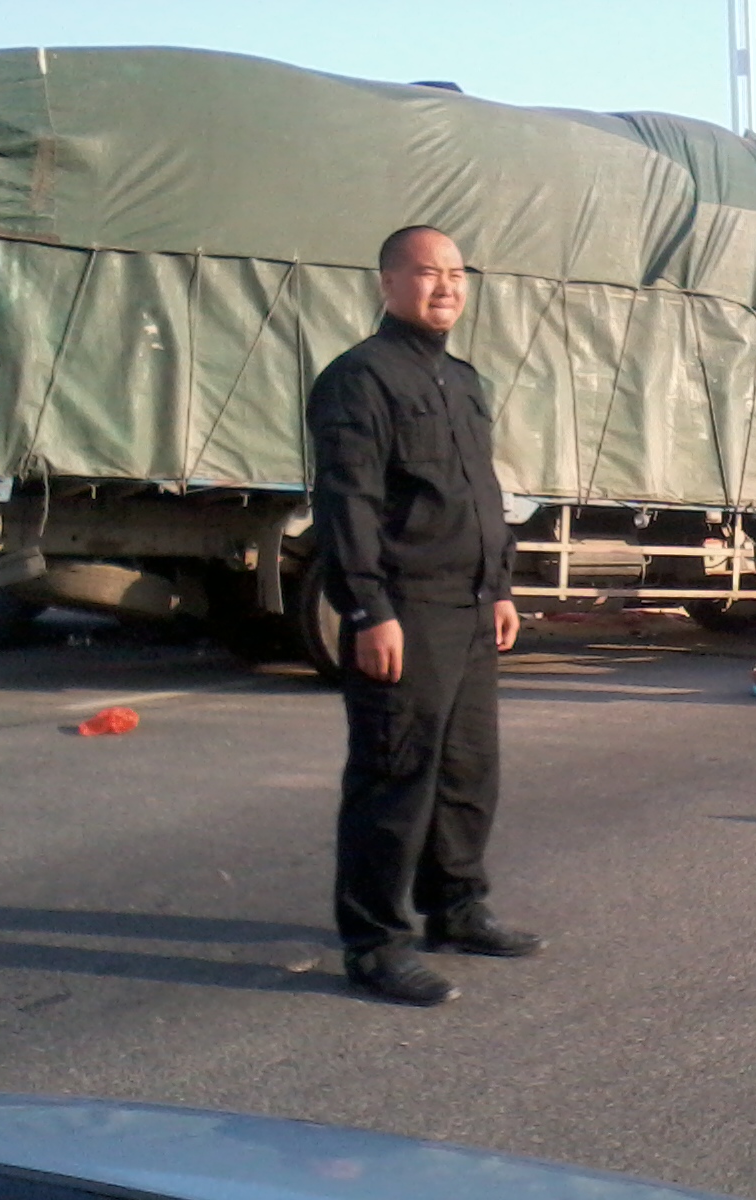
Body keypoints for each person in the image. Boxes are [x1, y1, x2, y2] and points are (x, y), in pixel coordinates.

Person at [307, 224, 543, 1008]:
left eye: (456, 273)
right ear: (387, 283)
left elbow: (480, 492)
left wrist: (500, 587)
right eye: (426, 272)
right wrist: (368, 608)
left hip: (471, 606)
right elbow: (348, 502)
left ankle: (457, 907)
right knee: (394, 774)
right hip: (406, 608)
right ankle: (375, 943)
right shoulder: (359, 379)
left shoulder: (462, 379)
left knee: (469, 769)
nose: (445, 286)